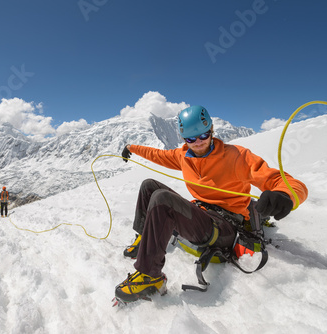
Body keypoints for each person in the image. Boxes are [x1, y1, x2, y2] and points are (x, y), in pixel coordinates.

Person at [114, 105, 308, 303]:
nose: (198, 143)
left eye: (203, 135)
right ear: (183, 138)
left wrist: (285, 195)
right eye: (191, 138)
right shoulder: (183, 156)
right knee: (149, 186)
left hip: (226, 226)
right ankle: (143, 237)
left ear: (212, 131)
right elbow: (157, 155)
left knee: (162, 199)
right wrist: (131, 148)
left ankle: (149, 277)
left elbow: (284, 181)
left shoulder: (236, 156)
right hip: (203, 214)